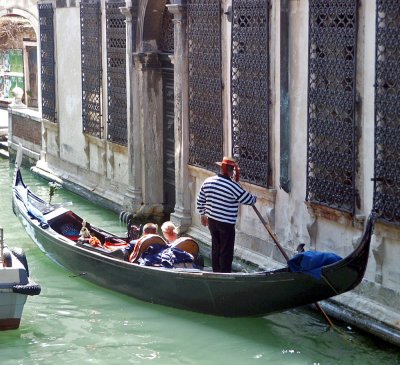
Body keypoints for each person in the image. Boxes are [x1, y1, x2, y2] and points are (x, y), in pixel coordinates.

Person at [196, 156, 256, 273]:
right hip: (226, 223)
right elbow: (248, 200)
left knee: (216, 247)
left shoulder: (208, 181)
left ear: (221, 169)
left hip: (212, 220)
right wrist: (255, 198)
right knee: (226, 250)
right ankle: (224, 273)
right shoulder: (233, 186)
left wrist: (203, 214)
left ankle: (216, 271)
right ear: (230, 171)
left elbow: (200, 199)